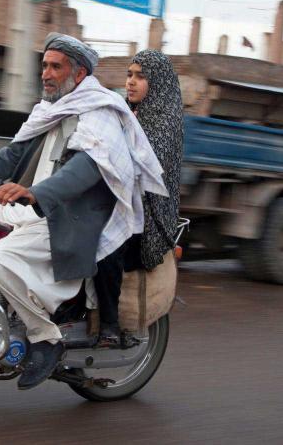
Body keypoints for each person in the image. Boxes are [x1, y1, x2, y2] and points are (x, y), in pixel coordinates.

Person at [0, 33, 167, 390]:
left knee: (0, 256)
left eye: (55, 66)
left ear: (78, 75)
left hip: (74, 215)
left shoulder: (99, 112)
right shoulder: (49, 110)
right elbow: (10, 158)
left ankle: (45, 338)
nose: (45, 72)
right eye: (44, 65)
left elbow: (86, 169)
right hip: (37, 207)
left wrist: (34, 192)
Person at [94, 49, 184, 346]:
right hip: (122, 202)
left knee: (106, 244)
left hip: (149, 219)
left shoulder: (165, 120)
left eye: (140, 77)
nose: (130, 82)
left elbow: (141, 164)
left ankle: (108, 325)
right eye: (129, 75)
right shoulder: (127, 110)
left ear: (156, 83)